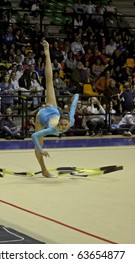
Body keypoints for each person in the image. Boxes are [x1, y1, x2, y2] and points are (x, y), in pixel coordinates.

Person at [31, 41, 79, 178]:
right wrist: (42, 149)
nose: (63, 127)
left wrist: (76, 95)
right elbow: (34, 136)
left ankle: (47, 53)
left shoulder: (70, 120)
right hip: (42, 116)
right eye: (61, 125)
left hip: (52, 109)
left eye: (64, 125)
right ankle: (44, 170)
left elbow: (73, 107)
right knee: (49, 81)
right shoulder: (53, 129)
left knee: (49, 82)